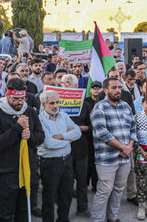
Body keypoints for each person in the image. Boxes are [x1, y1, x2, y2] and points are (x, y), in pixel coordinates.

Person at [0, 78, 45, 221]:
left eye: (22, 98)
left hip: (28, 171)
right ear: (7, 95)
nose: (20, 102)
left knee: (24, 214)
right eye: (16, 99)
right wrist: (17, 128)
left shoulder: (30, 112)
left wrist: (30, 136)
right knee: (5, 216)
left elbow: (41, 136)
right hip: (5, 174)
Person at [90, 77, 137, 222]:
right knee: (104, 191)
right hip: (107, 159)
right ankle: (97, 219)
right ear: (105, 90)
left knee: (118, 190)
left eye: (119, 88)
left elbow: (133, 128)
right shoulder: (99, 107)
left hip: (125, 157)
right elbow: (102, 132)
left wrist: (129, 146)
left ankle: (112, 217)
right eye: (114, 88)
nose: (118, 91)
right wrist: (123, 147)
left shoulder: (126, 106)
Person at [38, 90, 81, 222]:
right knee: (49, 197)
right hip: (50, 163)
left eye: (57, 102)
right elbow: (49, 143)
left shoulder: (64, 115)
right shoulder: (40, 119)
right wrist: (69, 141)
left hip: (67, 161)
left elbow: (78, 132)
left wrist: (62, 137)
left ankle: (63, 219)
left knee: (66, 195)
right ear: (43, 104)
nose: (55, 105)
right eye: (52, 103)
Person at [60, 74, 92, 217]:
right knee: (65, 184)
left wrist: (83, 128)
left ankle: (82, 207)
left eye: (67, 83)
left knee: (81, 181)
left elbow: (92, 125)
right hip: (63, 149)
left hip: (80, 149)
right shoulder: (57, 104)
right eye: (62, 83)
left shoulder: (85, 105)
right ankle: (64, 212)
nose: (64, 86)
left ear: (76, 86)